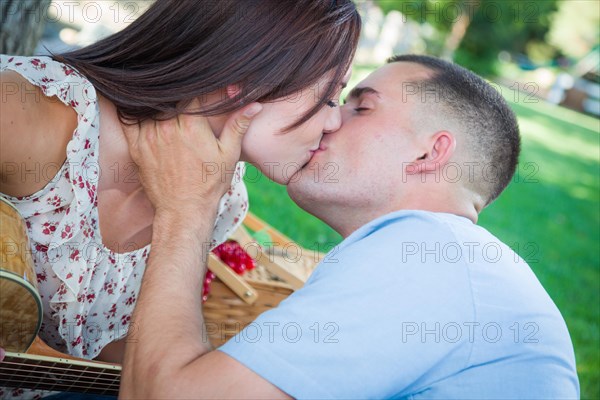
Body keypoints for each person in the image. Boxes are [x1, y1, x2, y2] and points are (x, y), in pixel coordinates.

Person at [113, 55, 578, 398]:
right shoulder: (447, 259)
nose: (330, 119)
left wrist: (186, 208)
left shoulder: (429, 256)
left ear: (429, 154)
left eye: (361, 107)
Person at [0, 0, 359, 398]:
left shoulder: (222, 198)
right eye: (329, 96)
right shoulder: (45, 116)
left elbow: (123, 357)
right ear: (249, 68)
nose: (335, 121)